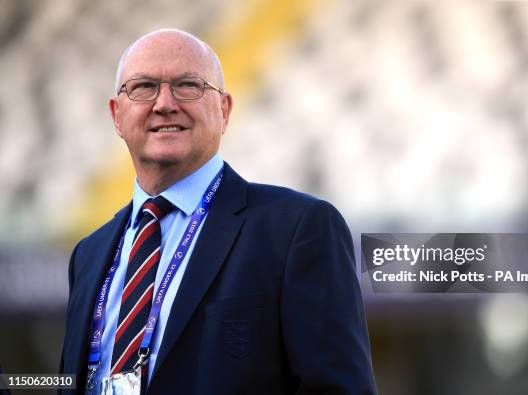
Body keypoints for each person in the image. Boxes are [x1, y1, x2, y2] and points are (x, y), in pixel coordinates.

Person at [59, 28, 377, 395]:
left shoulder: (296, 230)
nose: (164, 103)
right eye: (143, 87)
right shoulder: (88, 255)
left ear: (224, 110)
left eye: (188, 86)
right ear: (117, 115)